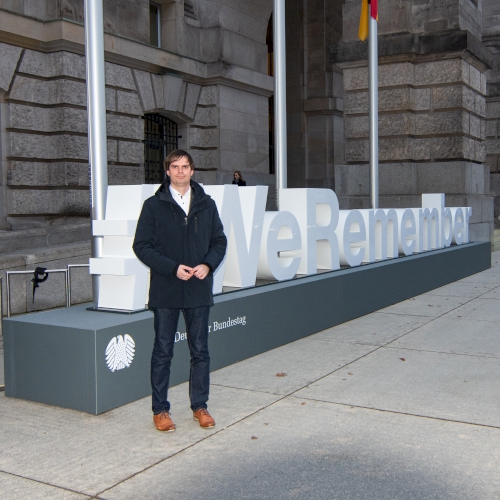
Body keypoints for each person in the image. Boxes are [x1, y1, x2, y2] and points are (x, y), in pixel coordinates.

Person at [133, 150, 227, 432]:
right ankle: (160, 411)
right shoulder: (153, 205)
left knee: (200, 351)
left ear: (192, 170)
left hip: (198, 288)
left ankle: (200, 406)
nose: (180, 171)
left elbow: (219, 241)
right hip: (167, 288)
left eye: (185, 167)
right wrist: (172, 267)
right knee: (163, 352)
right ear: (167, 171)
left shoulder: (207, 204)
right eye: (175, 167)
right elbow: (142, 246)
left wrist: (208, 265)